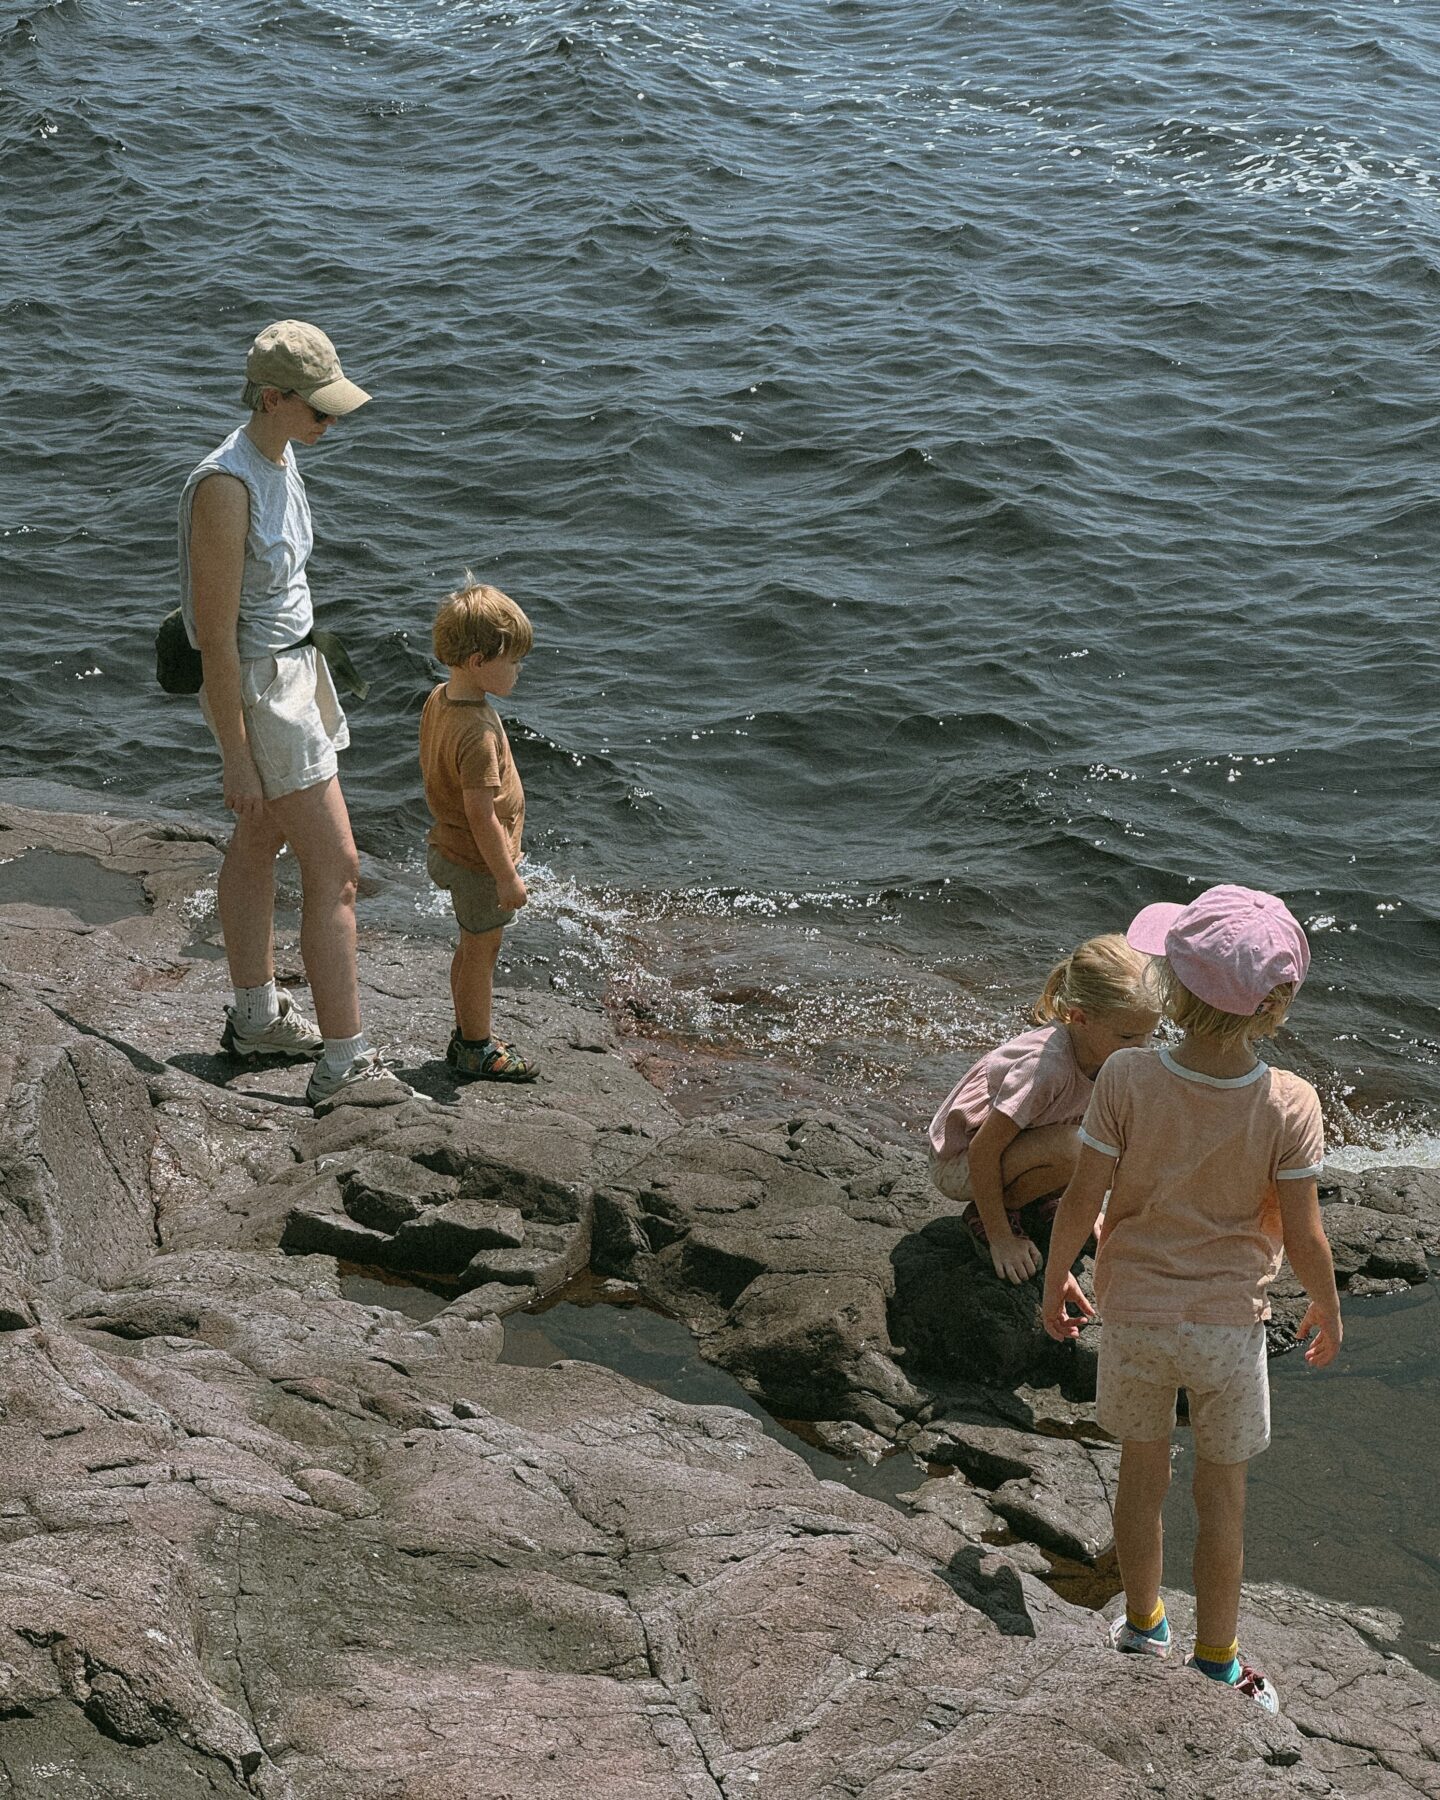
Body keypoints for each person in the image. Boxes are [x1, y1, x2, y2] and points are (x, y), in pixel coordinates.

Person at [1041, 885, 1342, 1715]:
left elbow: (1080, 1196)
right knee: (1224, 1499)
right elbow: (1305, 1234)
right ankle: (1218, 1662)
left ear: (1170, 984)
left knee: (1142, 1477)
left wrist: (1055, 1276)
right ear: (1275, 1006)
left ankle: (1144, 1625)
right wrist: (1327, 1306)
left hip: (1133, 1314)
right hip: (1227, 1330)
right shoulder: (1290, 1102)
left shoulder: (1130, 1077)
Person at [178, 319, 409, 1114]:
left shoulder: (280, 457)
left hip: (296, 674)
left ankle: (255, 1020)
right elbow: (214, 640)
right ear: (273, 399)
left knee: (260, 838)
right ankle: (343, 1064)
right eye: (318, 409)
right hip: (261, 693)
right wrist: (235, 754)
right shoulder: (225, 487)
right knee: (337, 869)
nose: (330, 422)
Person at [927, 935, 1159, 1283]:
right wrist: (1001, 1238)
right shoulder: (1045, 1068)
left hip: (1017, 1147)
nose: (1140, 1048)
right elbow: (983, 1150)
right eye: (1127, 1037)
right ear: (1079, 1017)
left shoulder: (1108, 1055)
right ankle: (992, 1214)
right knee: (1079, 1148)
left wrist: (1088, 1205)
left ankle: (1040, 1199)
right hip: (961, 1163)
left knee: (1108, 1145)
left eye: (1149, 1035)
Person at [419, 579, 538, 1082]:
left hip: (451, 846)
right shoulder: (478, 732)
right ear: (476, 660)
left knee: (470, 947)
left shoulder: (441, 699)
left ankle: (469, 1030)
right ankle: (475, 1046)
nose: (518, 669)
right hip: (477, 861)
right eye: (511, 660)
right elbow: (481, 814)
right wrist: (507, 875)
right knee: (481, 951)